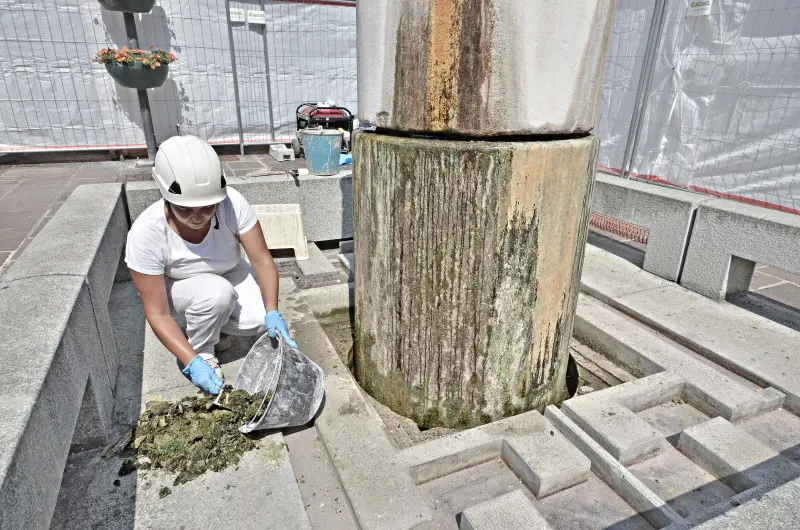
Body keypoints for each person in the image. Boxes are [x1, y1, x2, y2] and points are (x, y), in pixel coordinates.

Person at [125, 135, 296, 395]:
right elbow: (157, 312)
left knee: (259, 319)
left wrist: (272, 309)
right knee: (217, 294)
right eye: (185, 209)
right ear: (166, 196)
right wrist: (190, 360)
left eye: (207, 207)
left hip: (229, 272)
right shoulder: (146, 232)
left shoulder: (232, 204)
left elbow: (262, 260)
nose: (197, 217)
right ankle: (202, 350)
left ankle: (214, 324)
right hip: (180, 286)